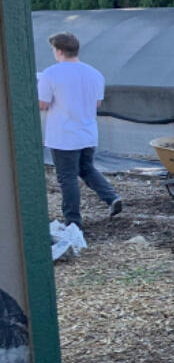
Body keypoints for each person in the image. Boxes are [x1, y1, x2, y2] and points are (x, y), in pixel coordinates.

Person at [37, 33, 123, 231]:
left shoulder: (50, 74)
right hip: (88, 133)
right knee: (87, 168)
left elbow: (43, 104)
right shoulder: (94, 73)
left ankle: (73, 222)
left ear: (58, 51)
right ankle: (112, 197)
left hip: (63, 135)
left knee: (67, 178)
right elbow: (97, 103)